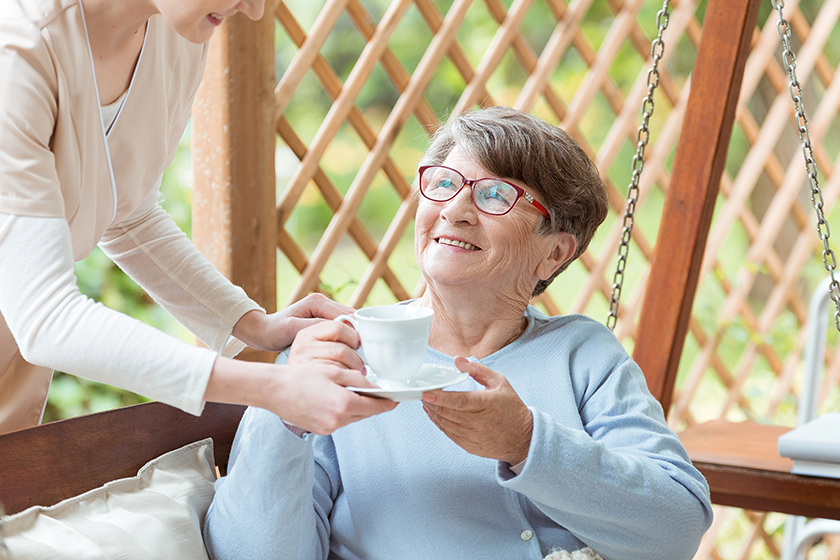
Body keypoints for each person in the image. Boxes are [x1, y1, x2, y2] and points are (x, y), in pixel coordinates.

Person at [203, 106, 714, 560]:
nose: (454, 209)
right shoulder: (333, 357)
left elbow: (676, 530)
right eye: (445, 183)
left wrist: (527, 442)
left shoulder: (582, 354)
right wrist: (284, 415)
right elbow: (249, 551)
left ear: (554, 253)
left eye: (495, 195)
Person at [0, 0, 394, 436]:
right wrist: (271, 386)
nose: (256, 11)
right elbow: (44, 316)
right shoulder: (17, 52)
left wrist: (253, 325)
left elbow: (127, 214)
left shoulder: (177, 35)